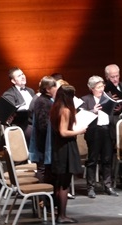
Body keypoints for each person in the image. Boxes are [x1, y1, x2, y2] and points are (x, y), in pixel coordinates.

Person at [50, 84, 86, 223]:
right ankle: (62, 216)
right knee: (64, 184)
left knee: (60, 183)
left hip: (59, 147)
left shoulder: (55, 108)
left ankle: (60, 214)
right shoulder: (65, 110)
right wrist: (80, 131)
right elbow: (63, 132)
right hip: (65, 148)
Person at [81, 75, 119, 198]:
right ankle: (90, 187)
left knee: (107, 160)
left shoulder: (107, 98)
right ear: (92, 88)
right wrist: (93, 111)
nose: (101, 89)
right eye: (98, 87)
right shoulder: (86, 99)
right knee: (92, 160)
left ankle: (108, 185)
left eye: (102, 86)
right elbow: (82, 116)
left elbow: (113, 114)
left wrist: (116, 108)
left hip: (107, 130)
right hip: (94, 132)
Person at [29, 76, 58, 184]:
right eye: (54, 87)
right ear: (47, 89)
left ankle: (45, 198)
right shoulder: (43, 101)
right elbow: (43, 125)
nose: (56, 89)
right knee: (43, 169)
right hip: (43, 143)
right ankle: (42, 198)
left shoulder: (46, 100)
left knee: (45, 169)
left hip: (44, 142)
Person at [2, 67, 35, 146]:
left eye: (23, 74)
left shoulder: (30, 91)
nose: (23, 77)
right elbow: (8, 113)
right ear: (13, 81)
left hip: (33, 123)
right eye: (19, 76)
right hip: (21, 126)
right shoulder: (9, 94)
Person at [104, 64, 122, 147]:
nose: (115, 79)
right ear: (107, 77)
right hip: (110, 121)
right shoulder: (102, 89)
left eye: (117, 76)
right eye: (112, 77)